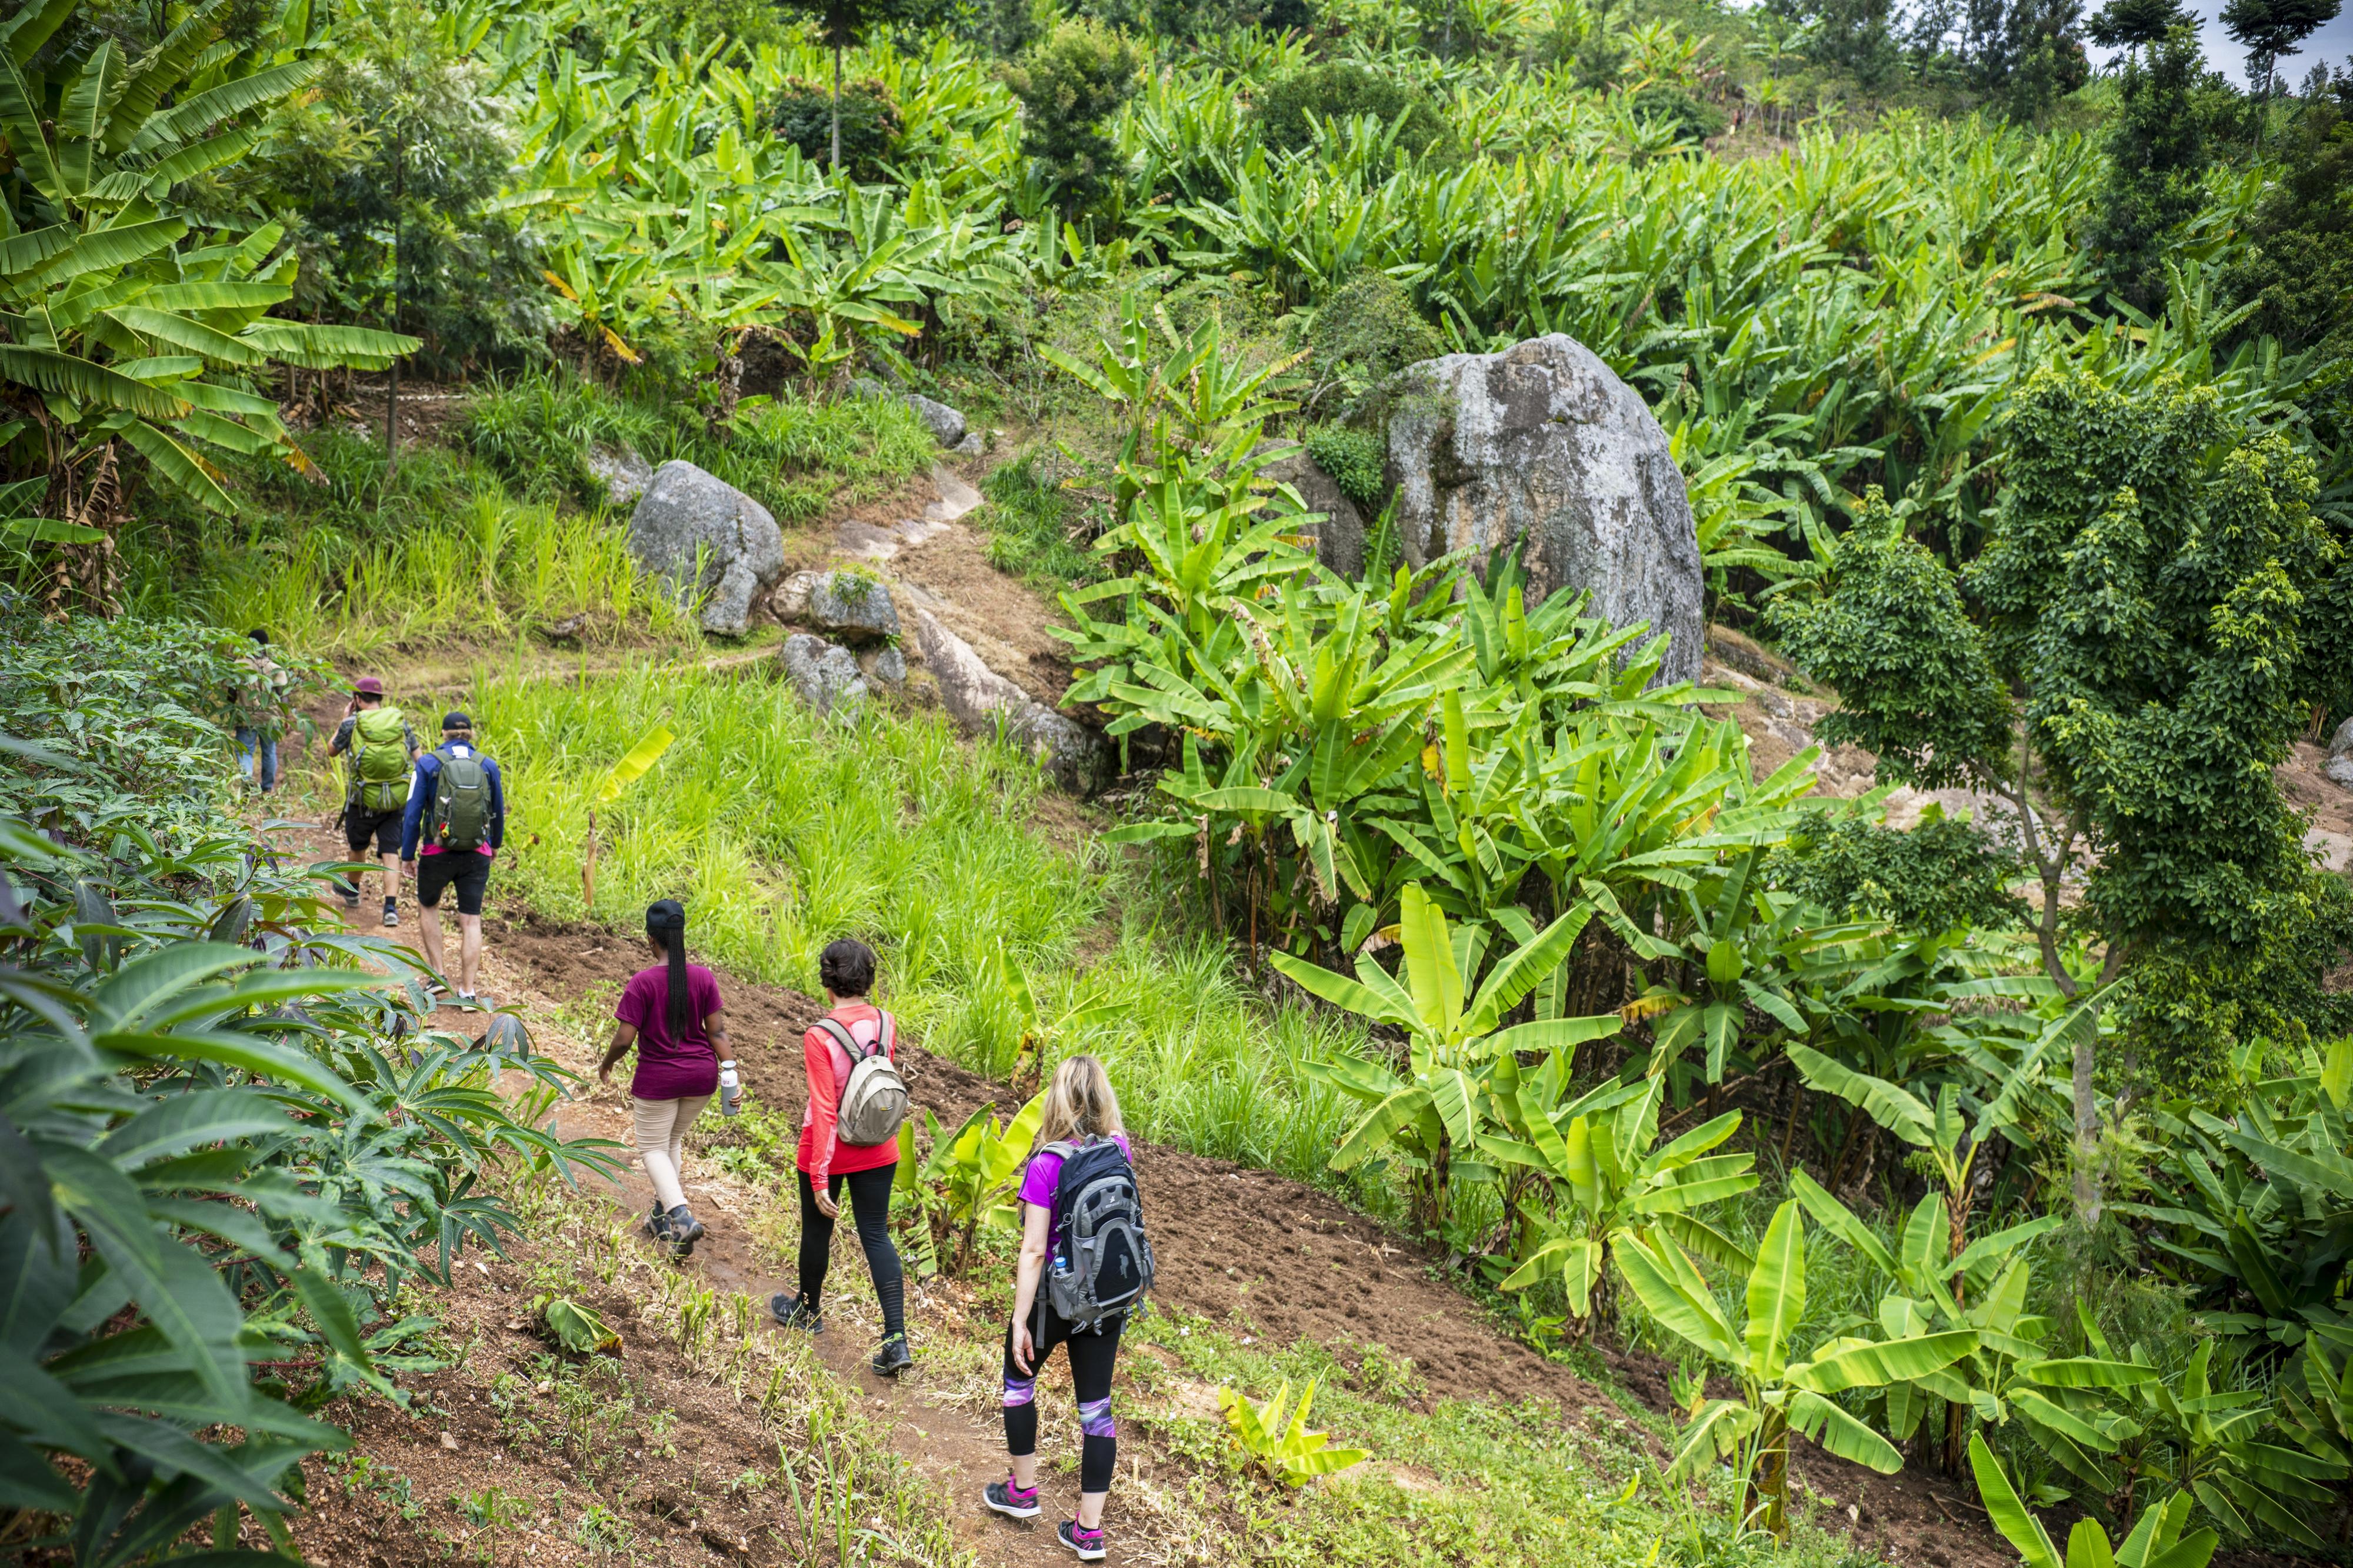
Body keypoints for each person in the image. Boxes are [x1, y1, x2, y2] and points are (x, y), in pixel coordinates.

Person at [984, 1055, 1133, 1563]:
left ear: (1059, 1099)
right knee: (1097, 1412)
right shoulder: (1119, 1150)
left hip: (1055, 1299)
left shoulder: (1047, 1162)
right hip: (1106, 1301)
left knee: (1018, 1381)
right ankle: (1088, 1530)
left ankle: (1023, 1492)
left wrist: (1021, 1319)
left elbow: (1032, 1250)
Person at [768, 938, 911, 1377]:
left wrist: (818, 1174)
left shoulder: (819, 1035)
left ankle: (807, 1311)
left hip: (830, 1151)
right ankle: (896, 1340)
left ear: (827, 981)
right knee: (876, 1236)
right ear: (867, 979)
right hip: (880, 1145)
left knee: (818, 1230)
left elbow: (825, 1109)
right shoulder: (886, 1022)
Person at [596, 900, 726, 1258]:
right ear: (681, 937)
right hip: (701, 1077)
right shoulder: (704, 978)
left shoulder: (643, 983)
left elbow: (624, 1039)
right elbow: (718, 1034)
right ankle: (661, 1216)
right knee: (672, 1141)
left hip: (659, 1081)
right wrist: (731, 1073)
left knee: (653, 1148)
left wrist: (606, 1064)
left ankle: (680, 1217)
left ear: (651, 940)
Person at [398, 712, 505, 1005]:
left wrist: (407, 855)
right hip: (477, 853)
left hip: (437, 851)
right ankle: (468, 991)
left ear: (443, 733)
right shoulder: (488, 765)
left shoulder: (429, 763)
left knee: (428, 906)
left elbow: (413, 813)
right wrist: (494, 844)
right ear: (470, 734)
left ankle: (438, 976)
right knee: (471, 920)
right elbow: (498, 809)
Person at [328, 676, 420, 928]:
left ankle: (353, 890)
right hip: (396, 801)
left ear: (357, 699)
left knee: (359, 846)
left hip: (362, 801)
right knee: (391, 851)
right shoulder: (400, 721)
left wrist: (344, 720)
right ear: (380, 699)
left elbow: (331, 750)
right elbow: (418, 758)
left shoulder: (352, 723)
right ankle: (390, 908)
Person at [232, 629, 291, 794]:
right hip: (271, 719)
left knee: (245, 752)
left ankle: (246, 786)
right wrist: (288, 718)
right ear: (266, 645)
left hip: (246, 717)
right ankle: (267, 789)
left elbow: (231, 694)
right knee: (269, 751)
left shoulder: (239, 666)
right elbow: (283, 696)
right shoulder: (276, 668)